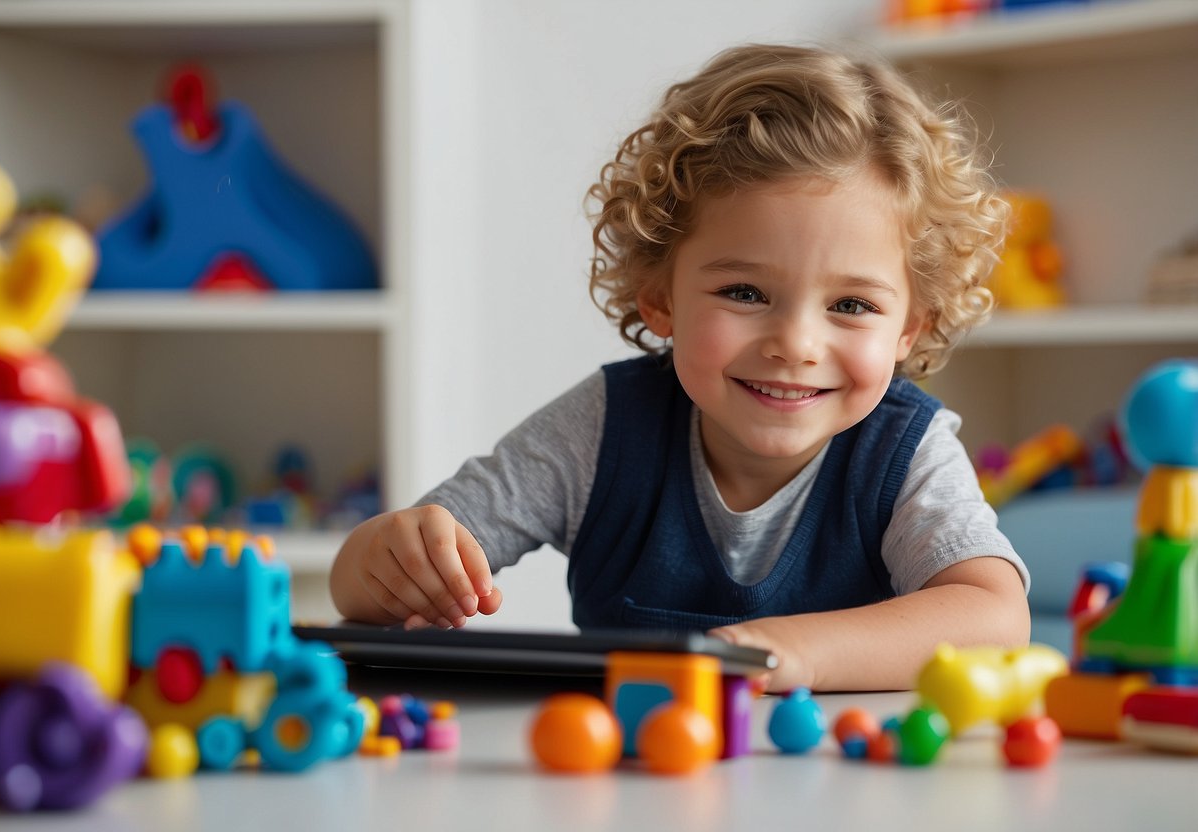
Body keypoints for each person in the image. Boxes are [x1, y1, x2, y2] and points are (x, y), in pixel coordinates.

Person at [330, 43, 1031, 692]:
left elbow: (992, 618)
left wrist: (781, 653)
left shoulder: (904, 452)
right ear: (660, 297)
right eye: (744, 293)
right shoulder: (603, 429)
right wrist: (387, 560)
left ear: (911, 326)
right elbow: (360, 588)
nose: (795, 343)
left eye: (849, 303)